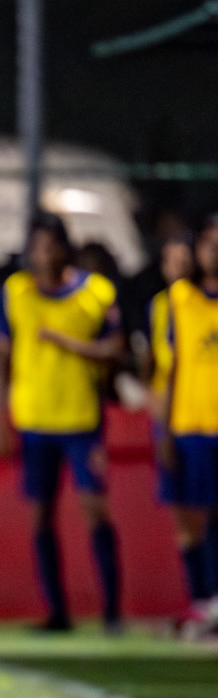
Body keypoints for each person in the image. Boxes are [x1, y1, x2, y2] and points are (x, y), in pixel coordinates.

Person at [0, 213, 125, 633]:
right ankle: (57, 612)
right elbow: (1, 356)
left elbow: (115, 349)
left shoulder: (96, 292)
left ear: (66, 247)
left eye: (50, 245)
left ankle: (112, 613)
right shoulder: (16, 292)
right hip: (33, 417)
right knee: (40, 516)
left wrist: (68, 343)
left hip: (81, 417)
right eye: (37, 246)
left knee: (94, 511)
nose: (42, 254)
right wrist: (0, 418)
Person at [150, 215, 218, 635]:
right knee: (193, 517)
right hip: (191, 425)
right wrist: (163, 430)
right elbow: (168, 369)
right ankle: (202, 600)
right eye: (208, 242)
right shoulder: (178, 301)